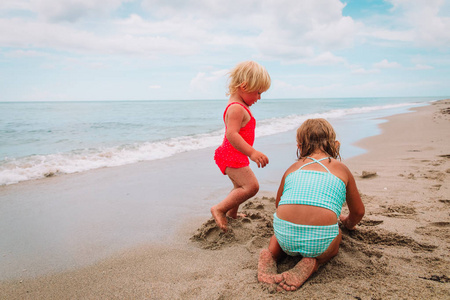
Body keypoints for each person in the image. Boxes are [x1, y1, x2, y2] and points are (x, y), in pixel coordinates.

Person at [257, 118, 365, 291]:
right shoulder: (341, 169)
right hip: (318, 243)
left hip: (285, 238)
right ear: (335, 145)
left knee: (278, 235)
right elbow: (358, 211)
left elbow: (279, 204)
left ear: (299, 146)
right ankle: (313, 262)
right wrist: (348, 223)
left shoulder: (293, 168)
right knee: (336, 236)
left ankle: (271, 255)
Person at [211, 61, 271, 233]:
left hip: (233, 154)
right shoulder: (237, 108)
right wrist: (252, 152)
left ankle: (232, 215)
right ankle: (219, 209)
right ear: (244, 86)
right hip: (231, 155)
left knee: (239, 187)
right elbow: (232, 134)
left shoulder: (239, 104)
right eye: (258, 92)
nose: (259, 98)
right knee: (251, 187)